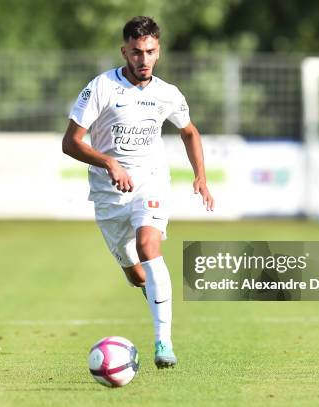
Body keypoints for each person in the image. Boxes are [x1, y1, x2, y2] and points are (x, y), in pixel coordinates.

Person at [62, 16, 214, 369]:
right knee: (135, 274)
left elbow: (189, 131)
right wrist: (110, 164)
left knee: (149, 246)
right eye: (135, 53)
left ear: (158, 51)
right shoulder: (101, 88)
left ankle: (164, 342)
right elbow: (70, 142)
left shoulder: (168, 93)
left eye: (149, 52)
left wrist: (201, 176)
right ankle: (152, 291)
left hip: (151, 182)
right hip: (108, 195)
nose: (143, 60)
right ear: (124, 51)